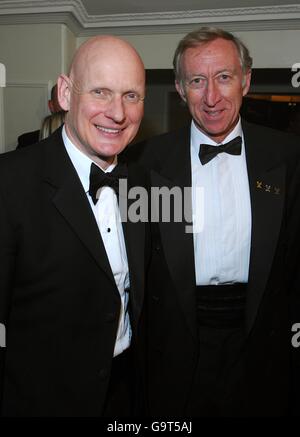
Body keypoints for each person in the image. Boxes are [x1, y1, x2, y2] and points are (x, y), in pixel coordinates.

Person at [129, 27, 300, 416]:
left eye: (224, 77)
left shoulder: (289, 157)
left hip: (264, 346)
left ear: (246, 81)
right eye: (197, 81)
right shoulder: (143, 164)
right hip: (175, 347)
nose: (211, 97)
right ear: (178, 87)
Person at [0, 35, 148, 417]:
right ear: (66, 94)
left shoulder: (145, 183)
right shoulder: (9, 183)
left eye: (131, 96)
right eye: (101, 92)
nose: (118, 113)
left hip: (125, 394)